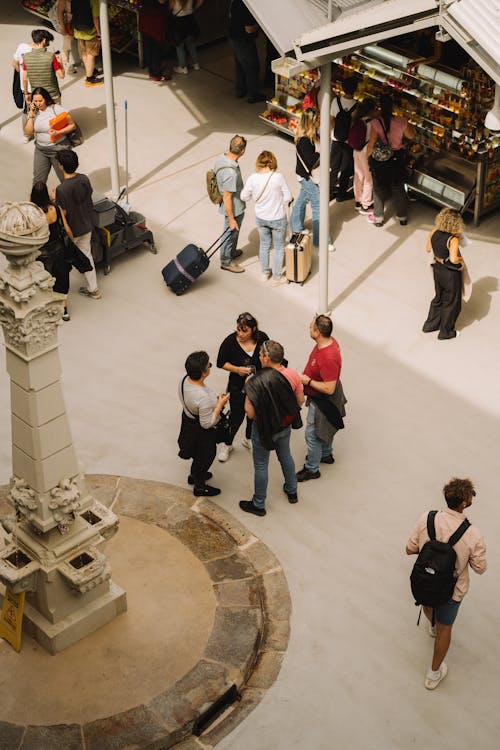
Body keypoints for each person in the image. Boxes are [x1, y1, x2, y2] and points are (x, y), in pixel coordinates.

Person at [406, 478, 486, 690]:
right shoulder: (472, 533)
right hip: (452, 591)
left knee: (428, 604)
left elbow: (409, 548)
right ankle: (433, 674)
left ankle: (432, 625)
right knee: (445, 629)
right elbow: (480, 568)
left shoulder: (427, 518)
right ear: (463, 504)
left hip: (424, 582)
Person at [239, 359, 301, 517]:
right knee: (286, 455)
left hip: (264, 429)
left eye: (261, 353)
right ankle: (292, 491)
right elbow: (299, 400)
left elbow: (251, 414)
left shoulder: (254, 382)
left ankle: (258, 504)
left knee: (261, 465)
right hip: (284, 426)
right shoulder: (288, 374)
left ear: (266, 358)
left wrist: (248, 386)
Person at [297, 315, 346, 482]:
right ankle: (326, 454)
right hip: (321, 397)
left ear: (317, 332)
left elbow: (329, 388)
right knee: (328, 425)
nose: (308, 329)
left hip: (322, 400)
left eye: (311, 327)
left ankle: (312, 469)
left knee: (312, 435)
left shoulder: (328, 357)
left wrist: (307, 381)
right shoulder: (327, 341)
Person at [216, 312, 269, 462]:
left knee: (253, 415)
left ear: (253, 329)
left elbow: (269, 356)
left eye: (244, 330)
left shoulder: (262, 338)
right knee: (236, 416)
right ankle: (228, 443)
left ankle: (248, 438)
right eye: (238, 329)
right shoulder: (230, 341)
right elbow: (221, 362)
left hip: (257, 385)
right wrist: (237, 370)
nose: (240, 334)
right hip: (237, 387)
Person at [178, 351, 230, 497]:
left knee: (196, 453)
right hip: (200, 431)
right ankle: (200, 487)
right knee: (205, 457)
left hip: (188, 421)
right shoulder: (202, 398)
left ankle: (193, 475)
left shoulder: (184, 380)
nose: (210, 366)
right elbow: (206, 424)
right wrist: (220, 404)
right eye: (209, 365)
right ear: (203, 373)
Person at [240, 150, 292, 286]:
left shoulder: (252, 178)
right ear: (273, 162)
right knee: (279, 247)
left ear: (258, 163)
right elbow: (288, 197)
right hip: (277, 218)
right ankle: (277, 277)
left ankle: (264, 273)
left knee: (264, 245)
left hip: (261, 218)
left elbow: (243, 196)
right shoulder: (278, 177)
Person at [55, 149, 102, 300]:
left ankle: (61, 297)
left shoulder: (61, 189)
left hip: (72, 231)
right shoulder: (84, 178)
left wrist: (53, 200)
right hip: (87, 225)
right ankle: (93, 289)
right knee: (86, 256)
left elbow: (62, 212)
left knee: (63, 263)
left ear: (61, 166)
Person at [366, 93, 415, 227]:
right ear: (393, 107)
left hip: (380, 160)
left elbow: (371, 144)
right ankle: (402, 216)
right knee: (398, 187)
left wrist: (366, 158)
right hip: (397, 157)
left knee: (378, 188)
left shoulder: (375, 123)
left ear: (380, 107)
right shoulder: (401, 121)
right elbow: (411, 135)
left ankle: (378, 218)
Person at [30, 181, 72, 321]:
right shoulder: (55, 208)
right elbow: (66, 228)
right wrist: (71, 241)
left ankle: (47, 309)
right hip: (58, 247)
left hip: (42, 251)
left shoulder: (34, 214)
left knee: (44, 279)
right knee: (61, 277)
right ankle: (64, 309)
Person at [422, 208, 464, 340]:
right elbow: (453, 259)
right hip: (450, 274)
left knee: (439, 297)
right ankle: (446, 332)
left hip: (437, 269)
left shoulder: (433, 232)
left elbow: (428, 248)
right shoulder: (453, 239)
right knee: (451, 302)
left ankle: (430, 325)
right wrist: (460, 262)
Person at [24, 87, 76, 184]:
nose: (38, 103)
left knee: (65, 179)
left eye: (40, 100)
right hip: (41, 150)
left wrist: (58, 133)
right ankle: (38, 198)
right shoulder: (34, 112)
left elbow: (72, 125)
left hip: (59, 149)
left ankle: (70, 198)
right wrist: (31, 115)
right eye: (35, 101)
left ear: (46, 99)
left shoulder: (56, 109)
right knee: (38, 181)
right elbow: (28, 132)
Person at [214, 134, 247, 273]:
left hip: (236, 206)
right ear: (242, 151)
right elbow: (227, 197)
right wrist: (232, 218)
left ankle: (231, 252)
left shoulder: (222, 158)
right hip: (233, 208)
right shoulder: (230, 172)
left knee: (233, 234)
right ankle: (226, 261)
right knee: (229, 233)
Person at [291, 108, 321, 248]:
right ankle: (319, 240)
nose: (319, 122)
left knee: (302, 200)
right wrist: (320, 153)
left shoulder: (306, 135)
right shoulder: (304, 140)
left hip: (303, 174)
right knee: (317, 205)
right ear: (311, 122)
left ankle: (296, 226)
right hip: (307, 176)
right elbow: (311, 161)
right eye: (316, 120)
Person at [228, 0, 264, 103]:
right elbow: (249, 29)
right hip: (243, 40)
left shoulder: (235, 2)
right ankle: (253, 95)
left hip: (233, 36)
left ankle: (240, 90)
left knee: (240, 66)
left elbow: (229, 15)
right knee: (252, 67)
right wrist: (260, 24)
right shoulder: (247, 7)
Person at [330, 76, 358, 201]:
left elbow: (331, 120)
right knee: (345, 168)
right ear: (355, 90)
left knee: (333, 166)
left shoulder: (335, 101)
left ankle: (330, 190)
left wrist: (333, 133)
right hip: (348, 142)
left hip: (336, 139)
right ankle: (341, 193)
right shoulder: (357, 106)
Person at [22, 29, 64, 104]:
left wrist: (26, 93)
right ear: (44, 40)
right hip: (52, 95)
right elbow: (61, 75)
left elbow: (25, 78)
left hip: (37, 96)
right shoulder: (51, 56)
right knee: (56, 115)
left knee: (41, 115)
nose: (48, 44)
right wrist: (61, 63)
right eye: (48, 42)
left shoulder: (26, 57)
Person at [348, 98, 375, 215]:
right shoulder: (372, 122)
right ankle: (366, 204)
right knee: (369, 178)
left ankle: (358, 201)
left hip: (356, 150)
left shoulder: (357, 119)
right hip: (365, 151)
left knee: (358, 176)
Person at [71, 0, 103, 87]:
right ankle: (90, 79)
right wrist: (99, 32)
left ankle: (90, 71)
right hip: (90, 32)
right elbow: (95, 17)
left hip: (78, 31)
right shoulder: (94, 1)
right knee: (91, 54)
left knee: (84, 53)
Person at [139, 0, 171, 82]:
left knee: (148, 47)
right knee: (156, 49)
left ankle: (151, 72)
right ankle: (157, 75)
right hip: (155, 22)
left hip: (144, 20)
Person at [170, 0, 203, 75]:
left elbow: (170, 7)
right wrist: (194, 8)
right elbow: (201, 1)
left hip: (178, 21)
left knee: (179, 45)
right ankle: (196, 64)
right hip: (190, 19)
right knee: (191, 43)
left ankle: (183, 67)